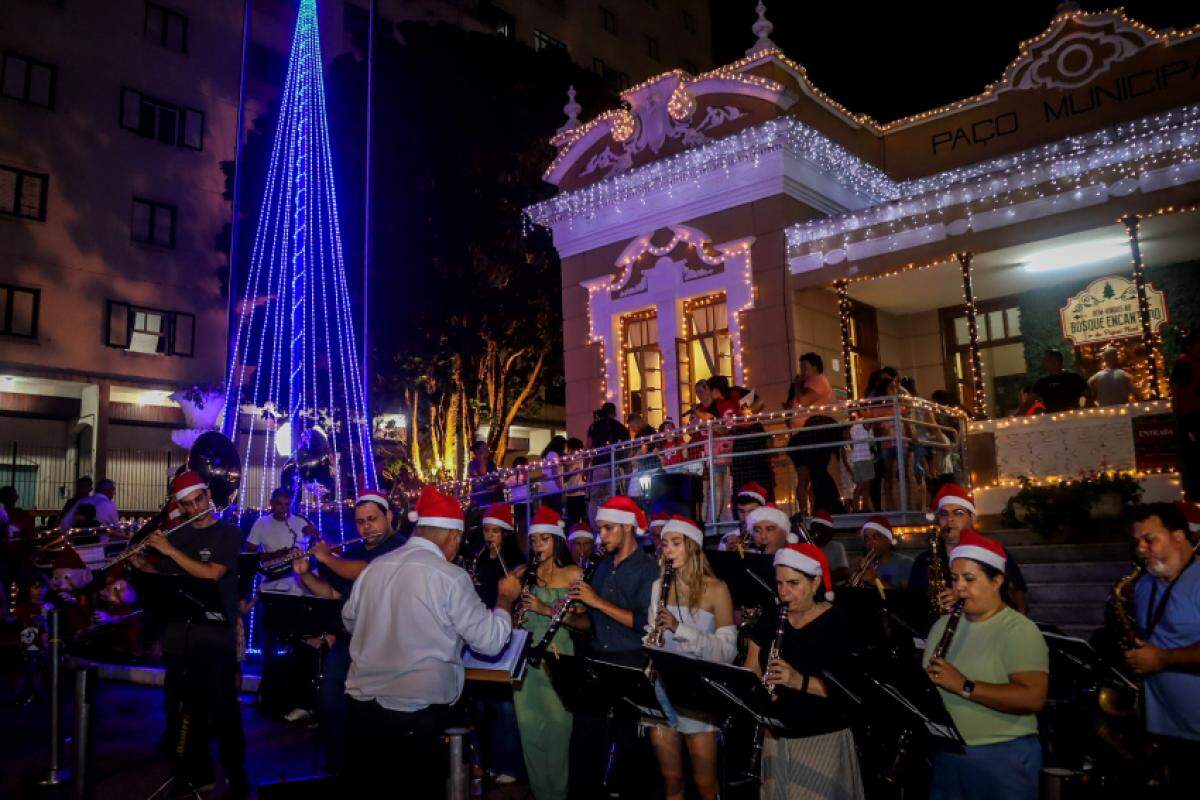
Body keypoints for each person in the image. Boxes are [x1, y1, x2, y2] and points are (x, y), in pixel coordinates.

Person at [341, 485, 520, 795]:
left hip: (362, 709)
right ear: (452, 537)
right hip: (417, 715)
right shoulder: (449, 577)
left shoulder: (374, 570)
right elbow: (490, 642)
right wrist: (505, 599)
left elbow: (349, 621)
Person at [131, 471, 247, 798]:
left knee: (224, 710)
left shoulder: (228, 534)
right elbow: (169, 581)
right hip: (179, 636)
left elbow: (211, 575)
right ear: (180, 507)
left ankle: (237, 776)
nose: (197, 508)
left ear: (208, 495)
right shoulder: (177, 537)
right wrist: (143, 565)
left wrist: (168, 551)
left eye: (200, 500)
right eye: (188, 504)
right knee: (183, 712)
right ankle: (197, 774)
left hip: (215, 635)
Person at [923, 530, 1048, 800]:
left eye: (969, 579)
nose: (959, 588)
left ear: (997, 580)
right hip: (948, 754)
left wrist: (964, 686)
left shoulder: (1019, 629)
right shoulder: (941, 627)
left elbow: (1032, 697)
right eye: (954, 579)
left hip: (1002, 756)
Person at [291, 488, 406, 775]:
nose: (366, 527)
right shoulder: (354, 551)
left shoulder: (400, 547)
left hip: (384, 645)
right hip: (348, 641)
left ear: (388, 516)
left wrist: (327, 557)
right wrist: (305, 574)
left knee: (375, 713)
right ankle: (340, 770)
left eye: (373, 519)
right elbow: (331, 592)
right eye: (360, 521)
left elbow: (364, 572)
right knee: (332, 704)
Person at [746, 544, 864, 799]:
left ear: (815, 582)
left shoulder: (839, 622)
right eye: (779, 583)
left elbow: (850, 691)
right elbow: (751, 667)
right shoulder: (771, 618)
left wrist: (797, 680)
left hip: (821, 737)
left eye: (793, 583)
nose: (783, 592)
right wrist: (756, 695)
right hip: (775, 735)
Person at [566, 495, 659, 798]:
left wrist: (596, 601)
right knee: (585, 744)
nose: (600, 536)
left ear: (628, 528)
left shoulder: (648, 570)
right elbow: (592, 623)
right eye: (600, 529)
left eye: (607, 529)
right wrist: (564, 615)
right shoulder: (602, 567)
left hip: (631, 664)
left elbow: (647, 622)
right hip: (597, 662)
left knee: (630, 752)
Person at [644, 515, 736, 800]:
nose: (667, 550)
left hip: (697, 692)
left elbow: (728, 652)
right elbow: (652, 633)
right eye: (664, 544)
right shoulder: (658, 587)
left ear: (693, 546)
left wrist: (678, 627)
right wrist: (650, 642)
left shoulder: (717, 589)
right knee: (671, 780)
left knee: (705, 784)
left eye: (675, 543)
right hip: (662, 688)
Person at [1123, 503, 1200, 787]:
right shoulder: (1143, 586)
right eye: (1137, 542)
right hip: (1164, 726)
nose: (1141, 549)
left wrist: (1163, 659)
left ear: (1179, 536)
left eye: (1149, 539)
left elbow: (1161, 655)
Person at [512, 505, 582, 800]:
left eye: (545, 539)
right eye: (534, 540)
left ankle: (560, 794)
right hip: (526, 661)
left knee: (558, 730)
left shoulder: (573, 573)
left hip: (558, 657)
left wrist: (543, 608)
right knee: (530, 731)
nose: (538, 545)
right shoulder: (522, 574)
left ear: (557, 540)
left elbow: (583, 622)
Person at [470, 502, 527, 786]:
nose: (490, 536)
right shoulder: (479, 560)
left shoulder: (517, 564)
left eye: (496, 531)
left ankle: (510, 764)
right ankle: (485, 761)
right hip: (480, 635)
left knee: (505, 706)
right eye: (487, 530)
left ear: (505, 533)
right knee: (480, 704)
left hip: (504, 636)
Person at [910, 484, 1028, 618]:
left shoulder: (995, 554)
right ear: (938, 520)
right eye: (944, 514)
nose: (950, 519)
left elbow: (1017, 599)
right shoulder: (923, 561)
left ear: (972, 519)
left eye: (958, 513)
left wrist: (962, 598)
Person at [1171, 329, 1200, 501]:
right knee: (1193, 463)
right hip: (1191, 419)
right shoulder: (1184, 363)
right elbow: (1177, 391)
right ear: (1189, 346)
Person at [853, 516, 913, 589]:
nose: (870, 542)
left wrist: (875, 580)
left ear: (888, 539)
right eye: (867, 538)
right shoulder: (867, 565)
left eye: (876, 536)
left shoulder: (905, 563)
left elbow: (909, 598)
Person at [1032, 347, 1088, 413]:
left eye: (1046, 359)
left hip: (1060, 419)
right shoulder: (1074, 377)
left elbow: (1088, 394)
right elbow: (1088, 395)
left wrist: (1083, 408)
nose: (1043, 362)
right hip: (1070, 417)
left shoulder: (1073, 378)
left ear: (1054, 361)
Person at [719, 482, 767, 551]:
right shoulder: (727, 539)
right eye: (742, 511)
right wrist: (728, 553)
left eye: (751, 512)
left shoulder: (770, 538)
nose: (746, 517)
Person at [806, 510, 850, 586]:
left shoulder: (837, 547)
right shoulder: (808, 547)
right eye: (814, 531)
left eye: (819, 531)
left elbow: (845, 572)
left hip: (836, 589)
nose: (815, 534)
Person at [468, 440, 503, 507]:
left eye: (487, 448)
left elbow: (496, 477)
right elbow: (482, 474)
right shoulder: (472, 464)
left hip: (494, 496)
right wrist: (482, 459)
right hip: (481, 497)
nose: (487, 450)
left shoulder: (491, 463)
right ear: (477, 451)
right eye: (484, 448)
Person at [540, 435, 568, 512]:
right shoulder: (553, 455)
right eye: (564, 446)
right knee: (555, 512)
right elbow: (554, 472)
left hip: (547, 488)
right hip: (553, 488)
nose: (565, 448)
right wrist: (561, 488)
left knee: (548, 512)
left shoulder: (548, 454)